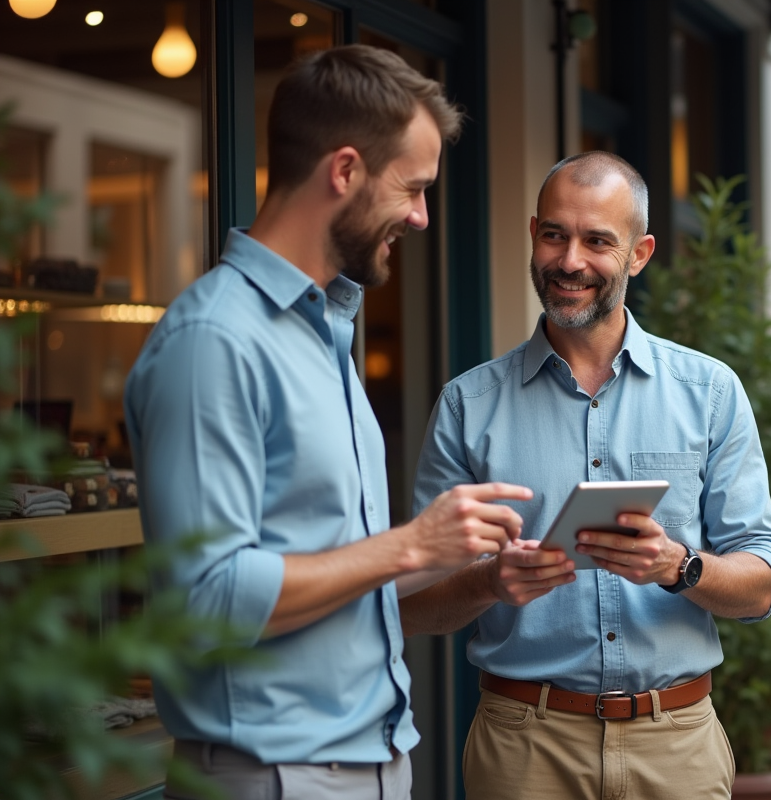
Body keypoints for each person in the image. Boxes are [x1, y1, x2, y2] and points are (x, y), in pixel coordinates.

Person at [125, 45, 532, 800]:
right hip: (276, 775)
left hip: (369, 763)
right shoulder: (214, 341)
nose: (421, 216)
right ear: (344, 171)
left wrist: (472, 574)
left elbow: (343, 579)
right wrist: (412, 544)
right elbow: (206, 602)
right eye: (411, 188)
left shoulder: (324, 331)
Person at [402, 152, 771, 800]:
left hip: (677, 744)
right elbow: (414, 604)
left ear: (639, 253)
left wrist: (678, 565)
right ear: (533, 235)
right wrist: (490, 581)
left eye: (597, 241)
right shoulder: (468, 406)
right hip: (524, 748)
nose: (570, 260)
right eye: (554, 234)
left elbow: (763, 584)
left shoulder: (710, 392)